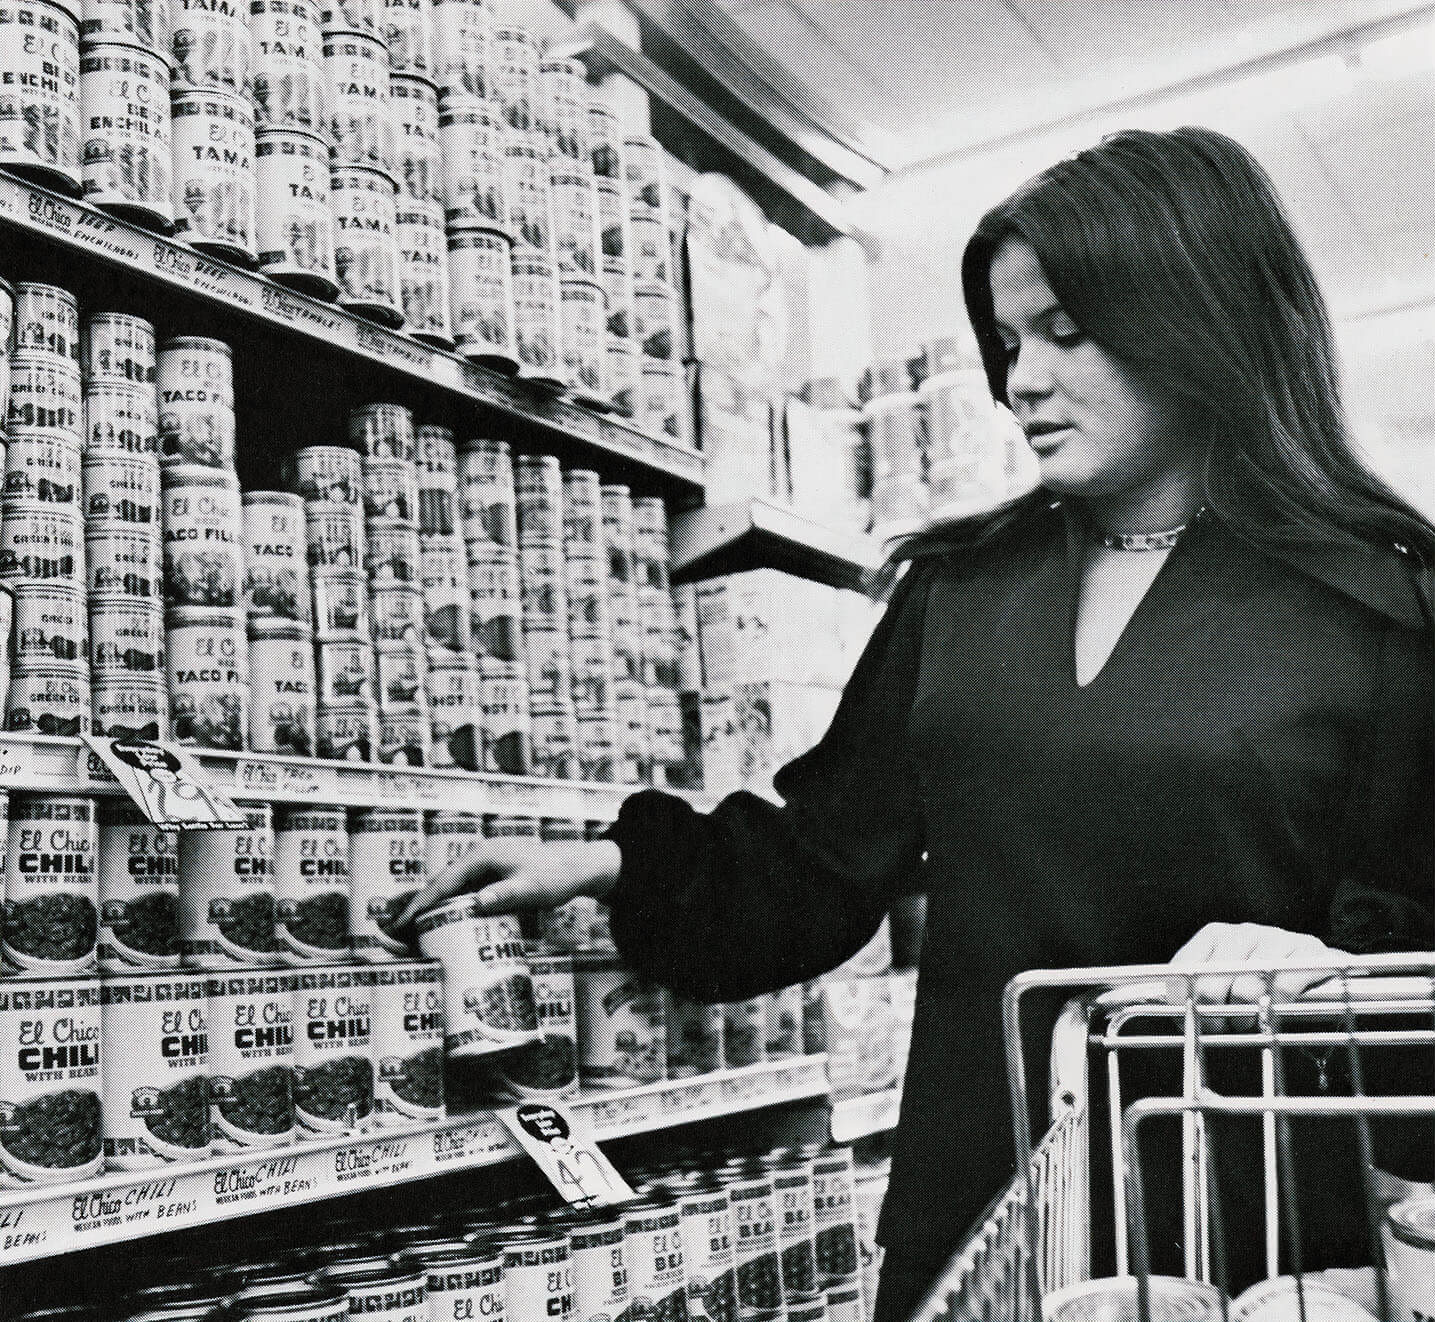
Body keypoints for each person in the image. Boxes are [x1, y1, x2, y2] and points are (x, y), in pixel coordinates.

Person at [401, 127, 1434, 1317]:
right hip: (988, 1215)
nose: (1018, 381)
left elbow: (1410, 944)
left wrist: (1328, 975)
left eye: (1064, 330)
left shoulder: (1374, 604)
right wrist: (610, 857)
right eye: (1005, 342)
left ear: (1198, 317)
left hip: (1253, 1230)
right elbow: (820, 857)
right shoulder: (963, 590)